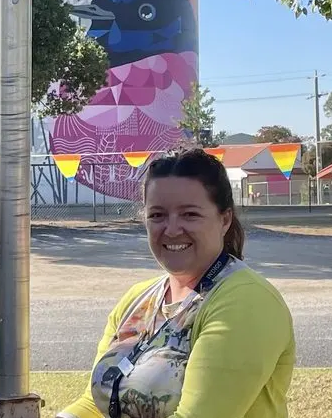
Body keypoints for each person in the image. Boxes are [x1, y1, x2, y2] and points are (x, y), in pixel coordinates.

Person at [59, 148, 295, 418]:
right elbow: (95, 403)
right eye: (157, 215)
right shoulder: (137, 299)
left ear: (225, 219)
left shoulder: (247, 301)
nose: (171, 229)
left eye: (190, 215)